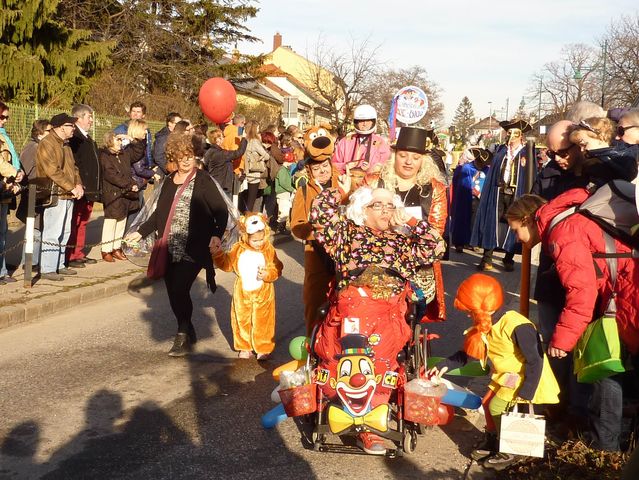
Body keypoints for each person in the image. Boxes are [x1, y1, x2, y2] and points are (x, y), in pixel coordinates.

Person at [311, 184, 445, 454]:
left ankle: (368, 424)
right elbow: (320, 212)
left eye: (390, 205)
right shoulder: (346, 234)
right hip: (351, 308)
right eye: (378, 205)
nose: (386, 210)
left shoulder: (403, 241)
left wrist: (409, 221)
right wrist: (342, 189)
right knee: (344, 345)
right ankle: (341, 401)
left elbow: (436, 246)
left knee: (380, 348)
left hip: (388, 310)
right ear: (362, 210)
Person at [506, 193, 639, 451]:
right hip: (627, 292)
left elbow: (581, 293)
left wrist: (562, 341)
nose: (517, 239)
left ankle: (605, 448)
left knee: (605, 370)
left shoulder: (563, 234)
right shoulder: (568, 220)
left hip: (630, 296)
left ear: (528, 220)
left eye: (516, 230)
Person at [430, 273, 559, 470]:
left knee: (497, 407)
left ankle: (510, 449)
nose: (467, 315)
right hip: (506, 377)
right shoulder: (485, 325)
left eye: (469, 311)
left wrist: (527, 391)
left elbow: (536, 360)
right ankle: (493, 441)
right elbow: (469, 354)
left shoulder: (517, 325)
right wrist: (443, 365)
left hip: (523, 378)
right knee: (487, 403)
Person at [125, 134, 228, 356]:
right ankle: (187, 327)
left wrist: (216, 234)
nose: (186, 161)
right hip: (169, 246)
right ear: (174, 157)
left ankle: (182, 334)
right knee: (173, 291)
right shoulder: (168, 181)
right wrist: (139, 232)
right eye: (181, 157)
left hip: (194, 247)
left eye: (189, 156)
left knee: (180, 287)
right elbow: (158, 214)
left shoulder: (203, 180)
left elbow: (220, 210)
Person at [378, 126, 448, 323]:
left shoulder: (434, 189)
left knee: (410, 310)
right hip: (379, 257)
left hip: (417, 263)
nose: (409, 162)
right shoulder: (376, 181)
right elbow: (359, 219)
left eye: (416, 157)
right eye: (403, 156)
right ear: (394, 156)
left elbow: (436, 234)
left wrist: (410, 221)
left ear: (423, 160)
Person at [214, 213, 283, 359]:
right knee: (242, 319)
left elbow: (277, 268)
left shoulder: (268, 249)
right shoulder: (238, 249)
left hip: (263, 291)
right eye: (255, 240)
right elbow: (227, 265)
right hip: (243, 291)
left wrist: (268, 274)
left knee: (263, 320)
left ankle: (263, 347)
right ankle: (244, 346)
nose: (259, 243)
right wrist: (217, 254)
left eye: (261, 239)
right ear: (246, 237)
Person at [289, 127, 338, 335]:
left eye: (325, 166)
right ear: (310, 170)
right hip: (316, 253)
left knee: (344, 302)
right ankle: (313, 341)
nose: (323, 171)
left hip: (344, 252)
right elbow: (296, 225)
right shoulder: (303, 191)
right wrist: (316, 230)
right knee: (315, 301)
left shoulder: (344, 186)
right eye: (317, 168)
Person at [471, 119, 532, 272]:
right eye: (508, 133)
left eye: (514, 133)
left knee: (515, 224)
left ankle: (508, 258)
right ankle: (487, 258)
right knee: (492, 222)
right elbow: (493, 170)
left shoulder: (526, 153)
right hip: (498, 192)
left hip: (516, 194)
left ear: (520, 135)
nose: (510, 136)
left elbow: (530, 176)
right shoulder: (501, 151)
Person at [36, 113, 84, 281]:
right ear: (61, 127)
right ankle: (48, 268)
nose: (73, 129)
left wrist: (78, 184)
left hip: (68, 194)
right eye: (71, 125)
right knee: (52, 232)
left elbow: (74, 168)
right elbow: (52, 171)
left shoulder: (66, 145)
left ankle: (59, 264)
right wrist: (71, 186)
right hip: (55, 194)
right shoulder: (47, 143)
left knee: (65, 231)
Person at [99, 131, 144, 263]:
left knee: (122, 220)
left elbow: (138, 152)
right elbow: (111, 174)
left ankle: (116, 247)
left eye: (120, 140)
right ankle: (106, 249)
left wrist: (131, 139)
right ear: (109, 141)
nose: (120, 142)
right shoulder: (105, 155)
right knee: (111, 221)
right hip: (112, 193)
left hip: (125, 192)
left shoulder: (124, 153)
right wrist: (130, 184)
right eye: (117, 139)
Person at [67, 104, 101, 268]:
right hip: (80, 187)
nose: (91, 120)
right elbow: (75, 164)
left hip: (90, 188)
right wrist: (78, 183)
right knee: (75, 221)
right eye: (89, 117)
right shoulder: (75, 138)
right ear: (78, 118)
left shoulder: (88, 139)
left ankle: (78, 252)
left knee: (83, 222)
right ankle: (71, 254)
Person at [17, 120, 51, 270]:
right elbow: (24, 171)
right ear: (40, 132)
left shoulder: (43, 147)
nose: (51, 133)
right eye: (48, 131)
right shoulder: (32, 147)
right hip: (32, 193)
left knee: (38, 229)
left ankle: (34, 261)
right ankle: (29, 263)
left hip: (41, 193)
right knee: (34, 230)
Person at [569, 117, 637, 185]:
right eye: (579, 146)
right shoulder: (593, 158)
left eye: (584, 144)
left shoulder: (619, 156)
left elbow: (627, 175)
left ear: (601, 137)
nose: (582, 150)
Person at [0, 101, 25, 284]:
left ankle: (1, 270)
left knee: (2, 232)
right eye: (2, 116)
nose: (5, 120)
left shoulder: (4, 136)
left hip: (4, 189)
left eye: (7, 117)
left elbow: (11, 158)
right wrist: (14, 172)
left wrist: (18, 172)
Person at [450, 148, 491, 253]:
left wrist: (480, 194)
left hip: (479, 199)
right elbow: (463, 184)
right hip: (465, 198)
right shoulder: (467, 168)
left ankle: (473, 242)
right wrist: (470, 190)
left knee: (475, 221)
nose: (481, 165)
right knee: (462, 219)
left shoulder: (487, 170)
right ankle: (459, 243)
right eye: (479, 162)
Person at [331, 104, 390, 175]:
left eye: (368, 121)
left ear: (373, 122)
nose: (365, 124)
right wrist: (344, 166)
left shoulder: (381, 143)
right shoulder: (345, 141)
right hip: (346, 179)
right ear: (356, 122)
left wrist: (370, 169)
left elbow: (385, 168)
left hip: (369, 180)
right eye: (361, 121)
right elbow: (333, 165)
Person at [204, 128, 247, 198]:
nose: (223, 139)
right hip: (223, 186)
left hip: (214, 183)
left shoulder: (209, 152)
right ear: (217, 139)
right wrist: (244, 138)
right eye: (222, 137)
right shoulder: (221, 154)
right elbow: (239, 152)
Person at [114, 101, 153, 168]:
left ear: (143, 115)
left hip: (143, 167)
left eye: (138, 112)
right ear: (130, 113)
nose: (135, 114)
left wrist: (150, 165)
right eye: (133, 111)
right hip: (128, 167)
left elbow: (148, 150)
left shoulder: (146, 131)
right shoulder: (120, 130)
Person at [240, 120, 269, 213]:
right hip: (254, 172)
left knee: (243, 198)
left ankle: (242, 217)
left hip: (244, 171)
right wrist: (261, 158)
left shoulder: (243, 140)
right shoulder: (255, 142)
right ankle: (247, 218)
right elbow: (266, 156)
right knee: (251, 199)